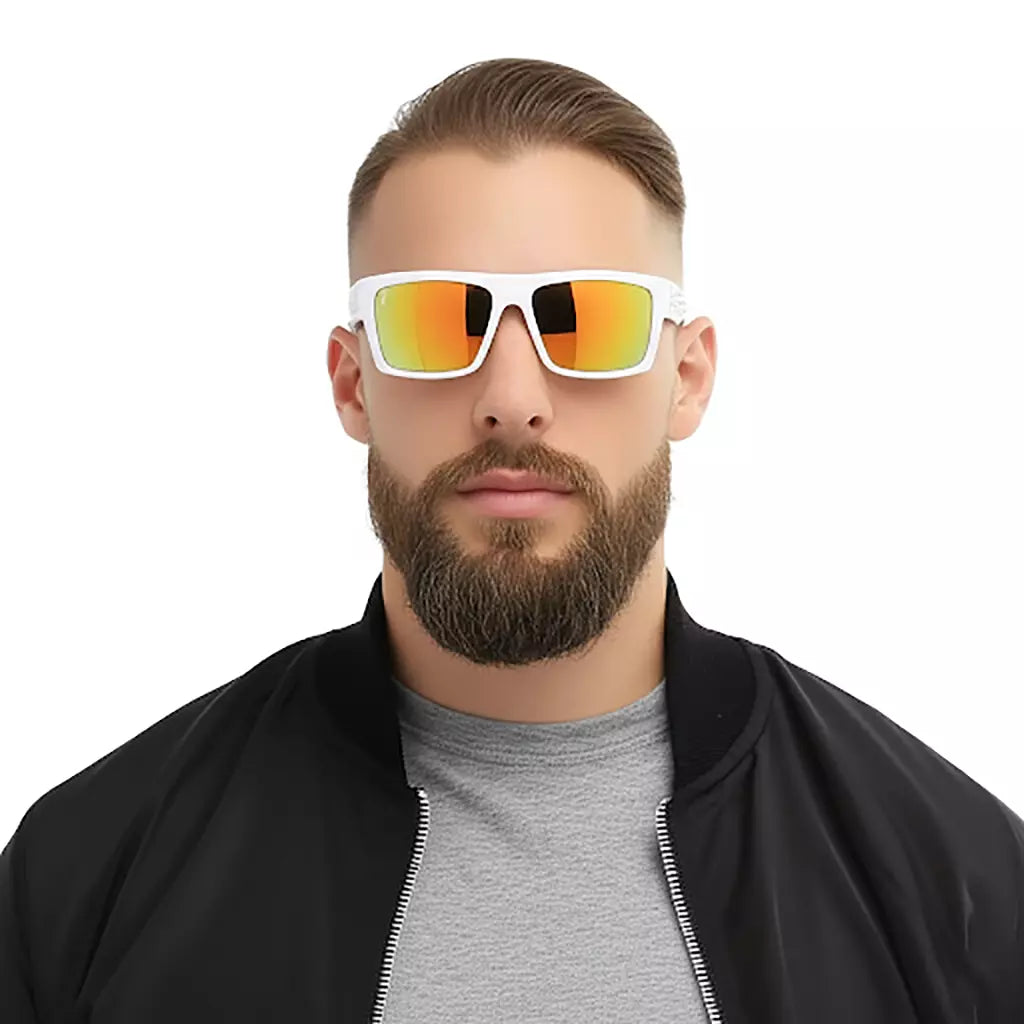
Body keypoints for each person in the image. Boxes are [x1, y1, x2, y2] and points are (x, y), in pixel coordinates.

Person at [2, 57, 1022, 1024]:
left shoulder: (962, 886)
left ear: (687, 378)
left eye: (586, 319)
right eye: (437, 321)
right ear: (354, 384)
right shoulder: (83, 878)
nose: (512, 399)